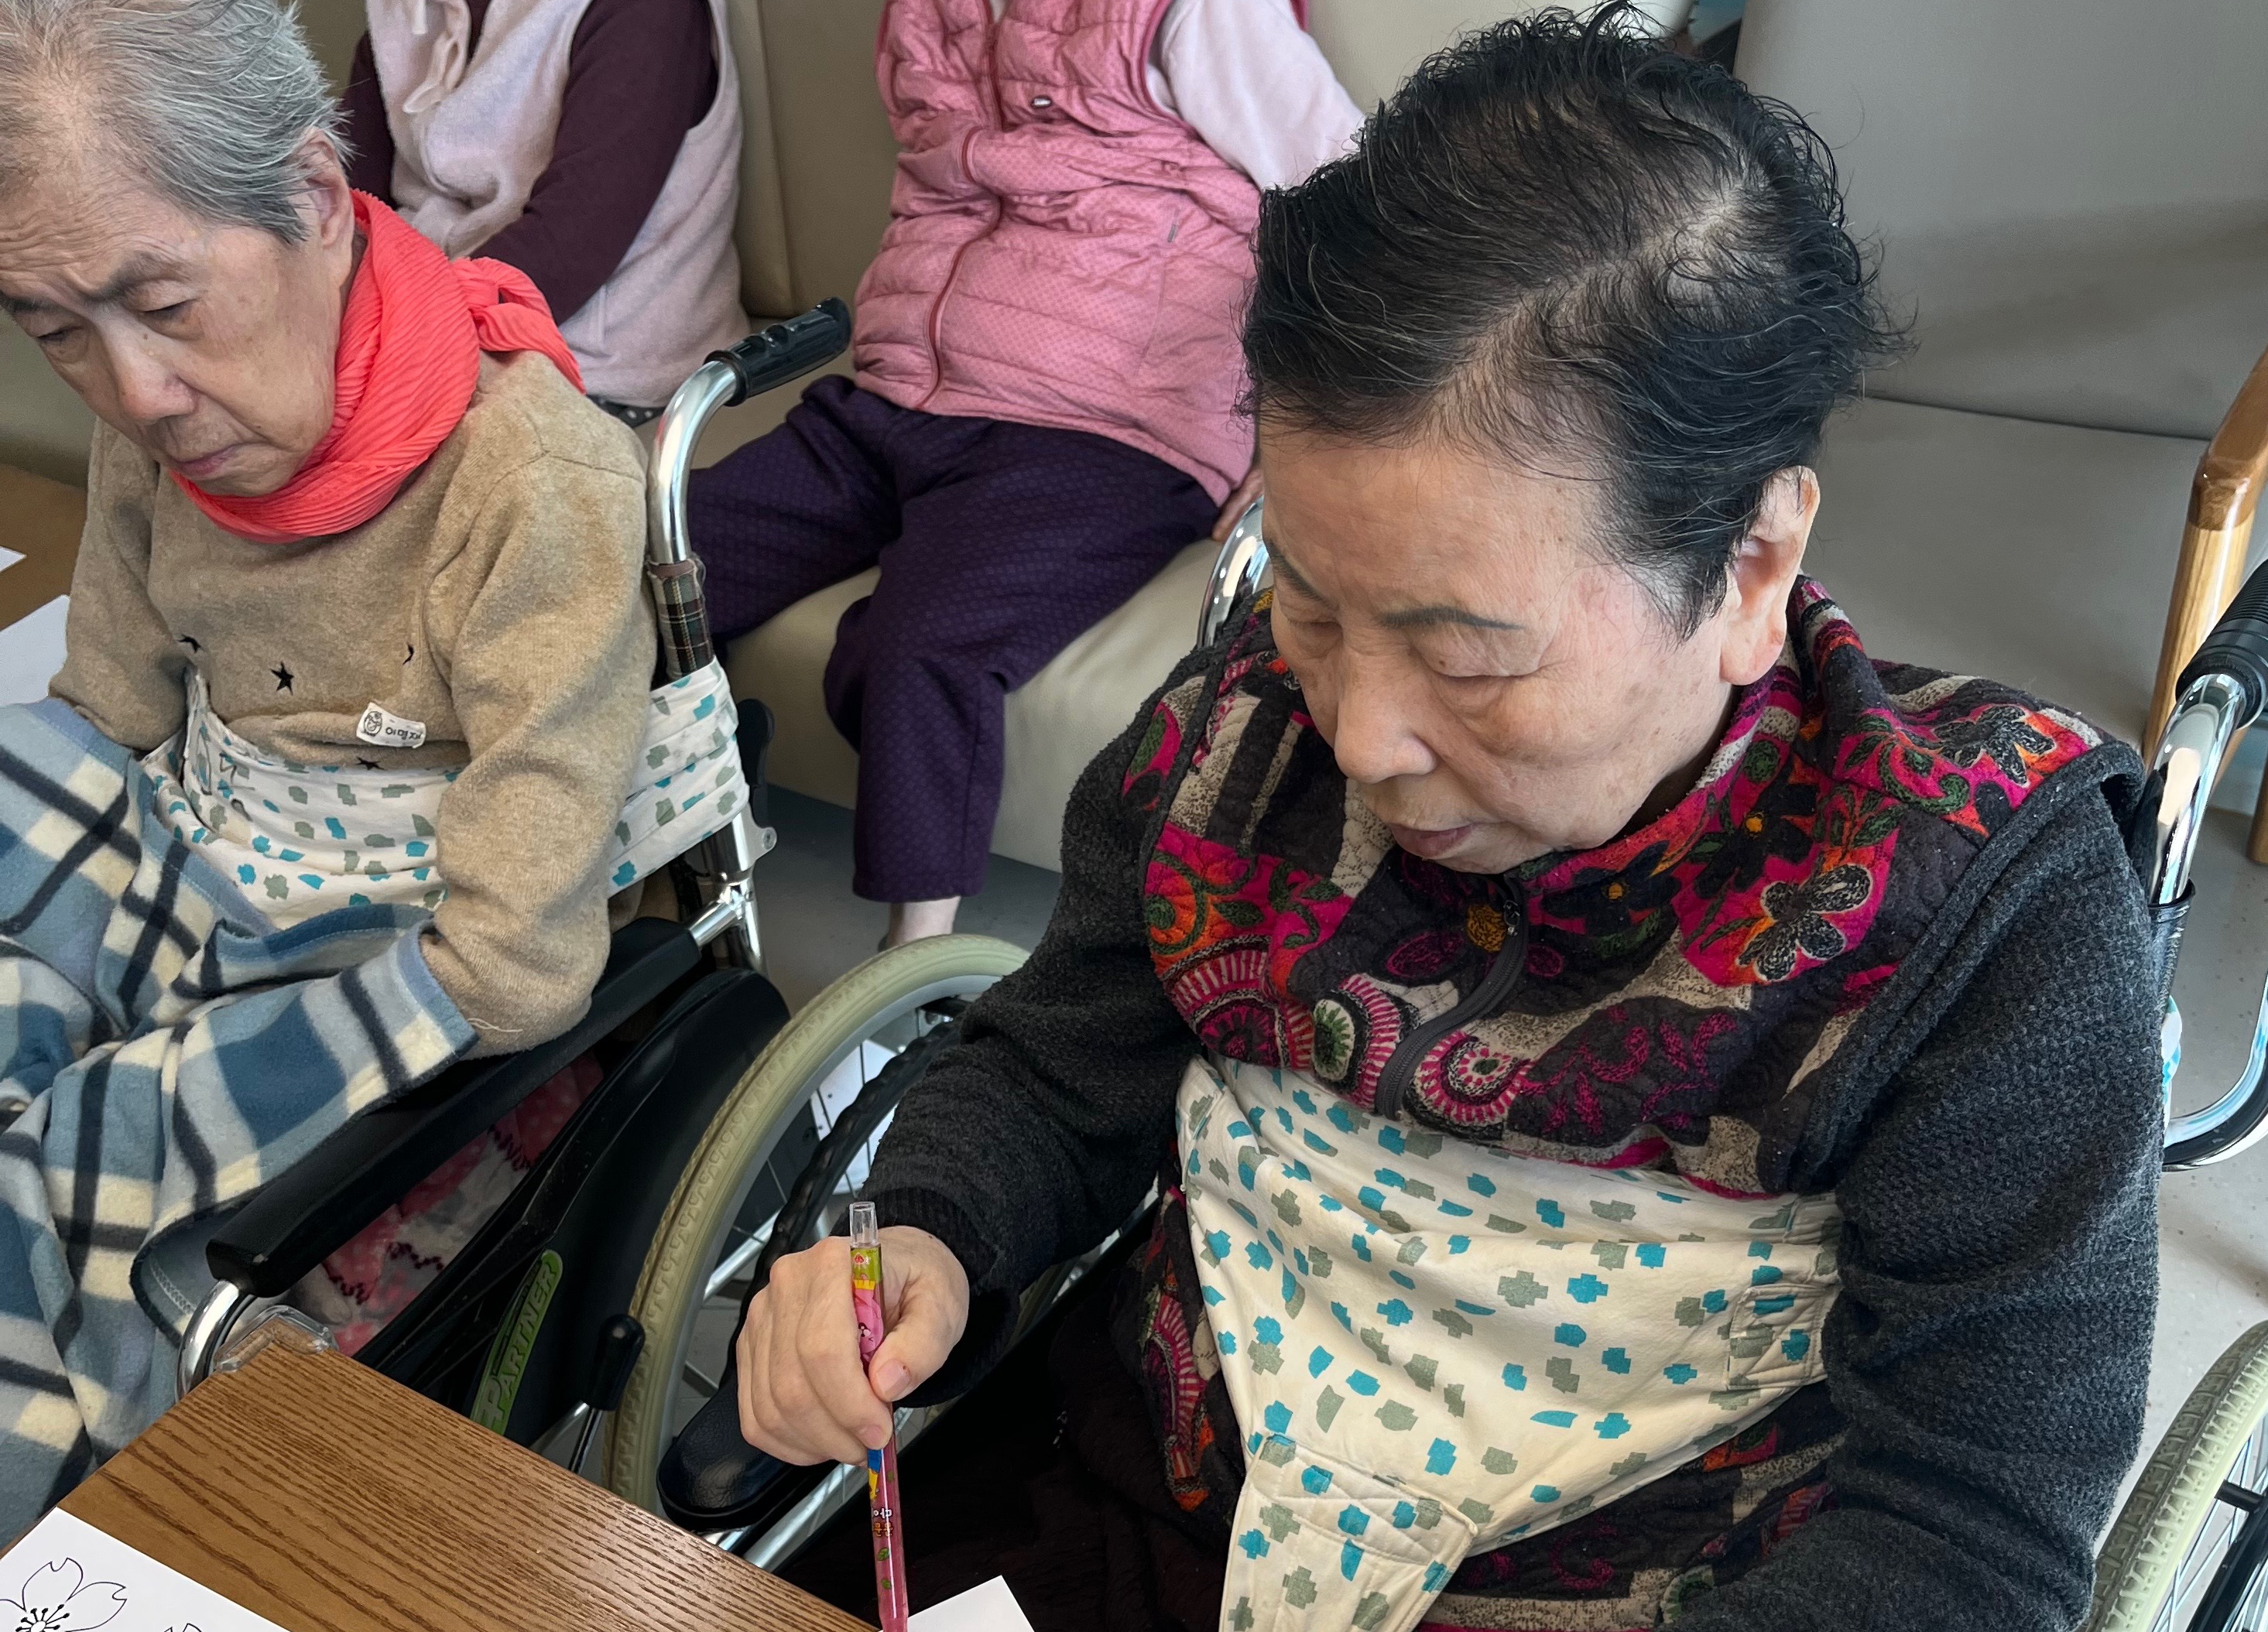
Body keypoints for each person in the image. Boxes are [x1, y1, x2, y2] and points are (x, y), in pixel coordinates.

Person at [719, 9, 2163, 1632]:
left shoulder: (1971, 908)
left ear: (1749, 563)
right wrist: (922, 1241)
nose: (1361, 735)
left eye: (1465, 657)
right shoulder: (1235, 738)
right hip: (1132, 1531)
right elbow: (1055, 1068)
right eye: (1308, 605)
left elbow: (1969, 1535)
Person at [0, 0, 656, 1533]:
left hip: (404, 930)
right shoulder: (150, 425)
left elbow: (515, 962)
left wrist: (136, 1064)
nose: (135, 395)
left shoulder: (530, 480)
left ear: (311, 194)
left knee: (70, 1160)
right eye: (52, 330)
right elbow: (110, 716)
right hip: (204, 863)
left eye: (166, 304)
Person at [688, 0, 1363, 950]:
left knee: (919, 648)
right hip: (895, 396)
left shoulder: (1194, 13)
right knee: (652, 561)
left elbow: (1354, 199)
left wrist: (1311, 427)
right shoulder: (924, 15)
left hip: (1106, 429)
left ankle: (913, 976)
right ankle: (634, 875)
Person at [341, 0, 749, 421]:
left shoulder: (647, 13)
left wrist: (380, 344)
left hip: (594, 371)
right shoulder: (401, 14)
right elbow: (348, 211)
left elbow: (566, 251)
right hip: (418, 337)